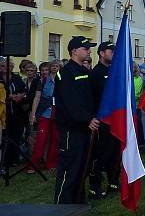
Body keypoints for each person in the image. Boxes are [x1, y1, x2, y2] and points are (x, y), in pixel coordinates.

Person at [54, 36, 100, 205]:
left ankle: (77, 203)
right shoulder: (65, 73)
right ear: (74, 51)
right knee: (69, 167)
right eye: (85, 48)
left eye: (89, 48)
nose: (89, 51)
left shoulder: (85, 72)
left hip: (86, 127)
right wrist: (87, 119)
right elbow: (70, 102)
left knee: (82, 167)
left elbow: (91, 97)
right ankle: (62, 205)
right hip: (72, 128)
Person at [88, 41, 118, 198]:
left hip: (115, 118)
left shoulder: (114, 71)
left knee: (114, 152)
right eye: (110, 50)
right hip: (102, 120)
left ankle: (114, 181)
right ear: (101, 53)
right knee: (101, 154)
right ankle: (95, 185)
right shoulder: (96, 73)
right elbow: (92, 98)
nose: (113, 53)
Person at [28, 60, 59, 171]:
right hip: (45, 113)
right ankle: (33, 164)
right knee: (41, 139)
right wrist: (33, 114)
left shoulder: (62, 80)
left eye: (57, 66)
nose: (55, 68)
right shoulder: (43, 80)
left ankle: (51, 164)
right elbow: (37, 98)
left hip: (58, 113)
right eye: (53, 66)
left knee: (55, 140)